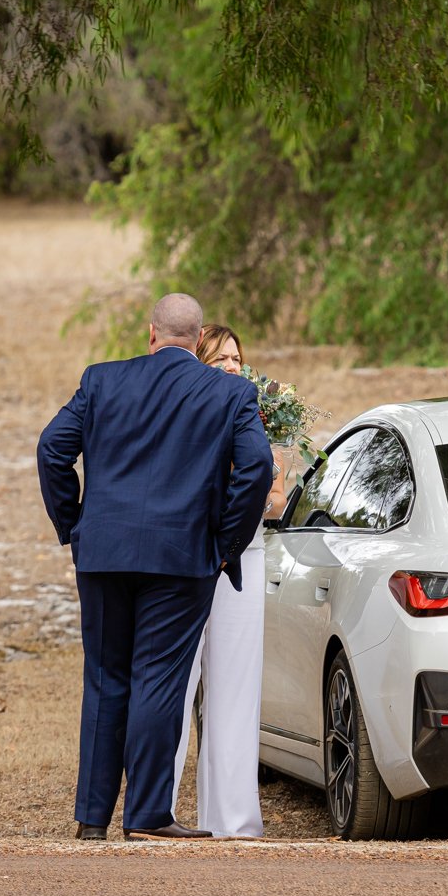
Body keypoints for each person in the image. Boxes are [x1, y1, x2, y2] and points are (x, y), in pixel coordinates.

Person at [36, 294, 274, 842]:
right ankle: (144, 815)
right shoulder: (232, 392)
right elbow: (257, 467)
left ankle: (92, 818)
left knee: (104, 679)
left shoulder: (101, 380)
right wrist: (226, 541)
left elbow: (52, 448)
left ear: (151, 334)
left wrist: (73, 524)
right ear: (196, 341)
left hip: (103, 554)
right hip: (183, 556)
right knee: (159, 681)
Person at [166, 324, 293, 838]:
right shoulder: (181, 414)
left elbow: (278, 499)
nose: (233, 367)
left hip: (247, 555)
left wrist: (250, 498)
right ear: (197, 363)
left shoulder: (264, 416)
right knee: (176, 684)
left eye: (237, 358)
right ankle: (158, 811)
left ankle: (232, 821)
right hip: (188, 557)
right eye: (220, 359)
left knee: (237, 686)